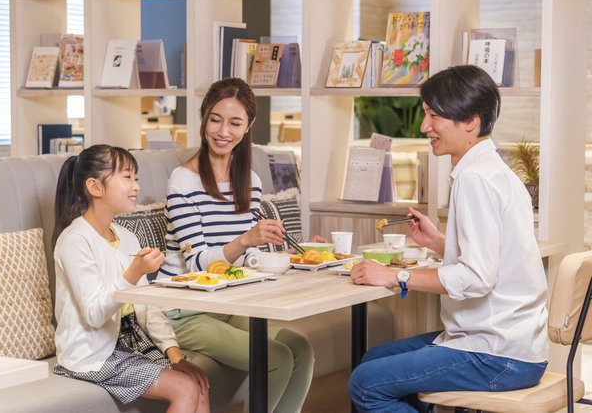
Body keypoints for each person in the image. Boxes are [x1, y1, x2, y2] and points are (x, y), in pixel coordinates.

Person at [348, 65, 548, 412]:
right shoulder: (493, 170)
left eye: (434, 116)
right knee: (375, 358)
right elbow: (494, 258)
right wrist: (440, 243)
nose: (425, 127)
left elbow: (477, 278)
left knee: (366, 384)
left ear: (470, 120)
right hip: (515, 344)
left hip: (496, 354)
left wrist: (395, 275)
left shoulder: (475, 179)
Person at [159, 77, 315, 413]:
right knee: (275, 357)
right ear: (203, 118)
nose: (222, 131)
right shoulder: (182, 181)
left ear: (249, 127)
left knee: (300, 348)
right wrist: (247, 238)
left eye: (235, 122)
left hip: (232, 301)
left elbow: (247, 257)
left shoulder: (250, 181)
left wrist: (286, 256)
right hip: (186, 310)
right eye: (215, 119)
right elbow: (199, 263)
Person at [52, 144, 210, 412]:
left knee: (199, 384)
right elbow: (93, 314)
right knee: (185, 388)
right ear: (95, 187)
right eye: (126, 177)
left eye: (136, 178)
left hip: (131, 340)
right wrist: (134, 273)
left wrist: (175, 355)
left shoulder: (127, 237)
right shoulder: (75, 240)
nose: (135, 186)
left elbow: (148, 308)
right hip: (93, 354)